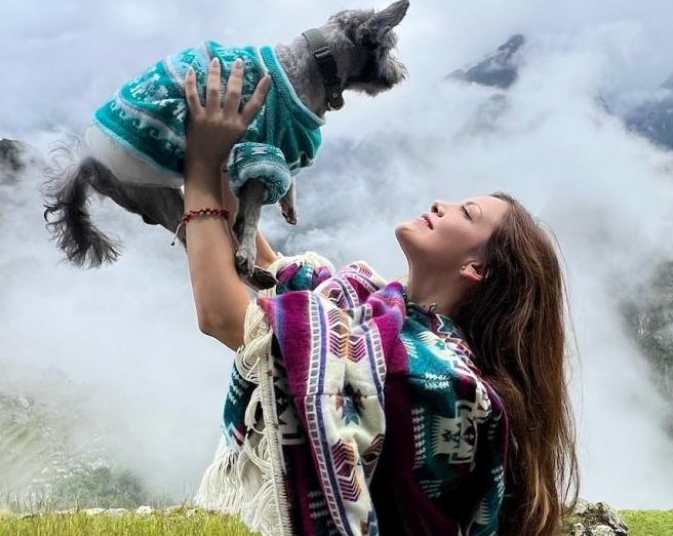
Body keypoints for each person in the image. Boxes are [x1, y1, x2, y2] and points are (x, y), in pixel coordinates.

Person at [181, 58, 579, 535]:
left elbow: (224, 317)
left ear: (476, 269)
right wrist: (225, 151)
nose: (442, 204)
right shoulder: (384, 311)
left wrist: (201, 165)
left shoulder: (435, 379)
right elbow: (265, 265)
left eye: (466, 213)